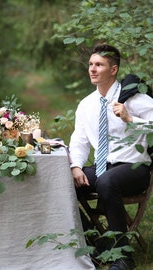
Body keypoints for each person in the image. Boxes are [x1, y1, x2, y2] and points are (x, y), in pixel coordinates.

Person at [69, 44, 153, 270]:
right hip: (102, 167)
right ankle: (96, 246)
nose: (92, 70)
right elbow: (79, 140)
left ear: (113, 69)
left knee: (107, 181)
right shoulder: (86, 104)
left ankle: (123, 257)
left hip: (135, 168)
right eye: (90, 65)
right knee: (62, 184)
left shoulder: (133, 98)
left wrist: (130, 120)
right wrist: (76, 166)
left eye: (99, 65)